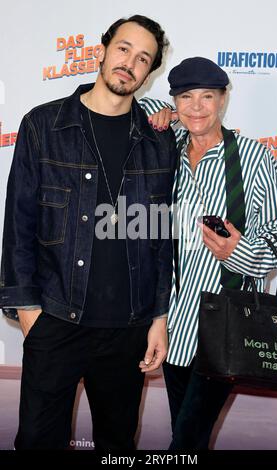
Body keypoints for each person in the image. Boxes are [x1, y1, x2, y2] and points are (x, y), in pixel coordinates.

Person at [0, 15, 178, 450]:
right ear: (102, 49)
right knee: (39, 443)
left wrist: (158, 318)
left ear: (149, 72)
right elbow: (18, 224)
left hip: (128, 328)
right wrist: (28, 313)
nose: (129, 63)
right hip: (56, 319)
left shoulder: (158, 141)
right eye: (123, 49)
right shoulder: (44, 125)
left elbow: (160, 239)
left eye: (143, 59)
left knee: (117, 446)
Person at [140, 57, 277, 449]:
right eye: (186, 98)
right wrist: (161, 114)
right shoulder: (164, 149)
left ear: (223, 100)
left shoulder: (253, 157)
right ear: (175, 102)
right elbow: (128, 106)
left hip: (224, 326)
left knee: (188, 438)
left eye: (207, 97)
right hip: (172, 323)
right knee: (183, 430)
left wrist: (238, 251)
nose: (196, 107)